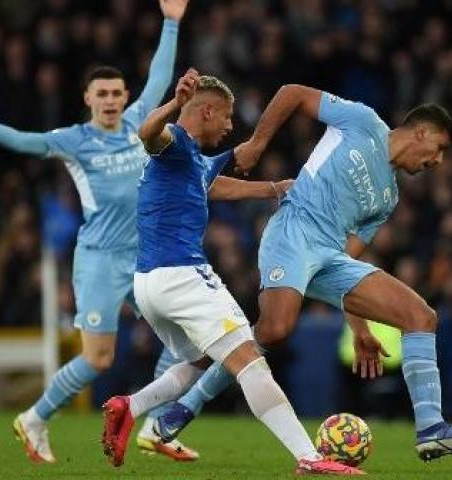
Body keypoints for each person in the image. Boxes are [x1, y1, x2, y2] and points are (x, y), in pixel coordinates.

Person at [0, 0, 258, 464]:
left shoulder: (141, 124)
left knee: (186, 341)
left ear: (125, 97)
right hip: (101, 258)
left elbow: (161, 76)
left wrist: (170, 21)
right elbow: (24, 141)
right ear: (88, 99)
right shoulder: (73, 141)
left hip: (149, 258)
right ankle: (35, 418)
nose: (109, 100)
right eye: (100, 93)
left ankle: (154, 429)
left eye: (116, 93)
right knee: (98, 359)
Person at [100, 70, 365, 475]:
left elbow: (212, 184)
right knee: (249, 359)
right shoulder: (173, 142)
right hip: (182, 274)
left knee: (206, 361)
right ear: (206, 110)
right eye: (226, 117)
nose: (229, 126)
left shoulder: (189, 161)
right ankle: (309, 457)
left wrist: (275, 188)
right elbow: (147, 134)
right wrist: (174, 102)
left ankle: (129, 407)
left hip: (149, 283)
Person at [230, 84, 452, 461]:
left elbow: (347, 263)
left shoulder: (388, 198)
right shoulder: (363, 121)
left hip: (327, 255)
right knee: (274, 329)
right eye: (440, 148)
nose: (438, 161)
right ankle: (187, 401)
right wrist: (257, 143)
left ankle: (431, 428)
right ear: (421, 132)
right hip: (294, 228)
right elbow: (292, 93)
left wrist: (359, 329)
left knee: (421, 317)